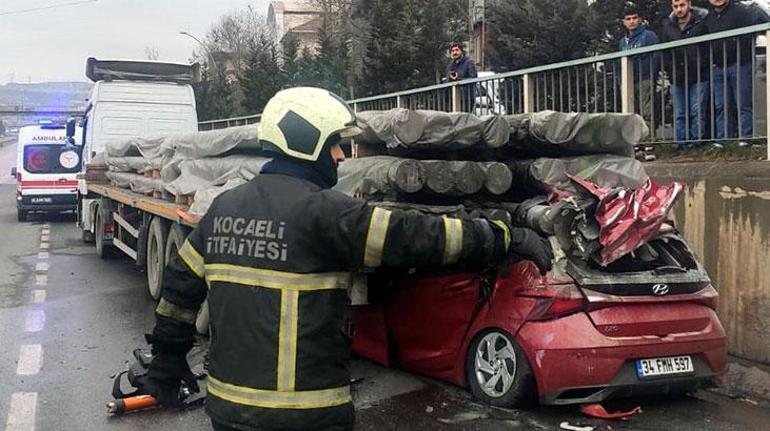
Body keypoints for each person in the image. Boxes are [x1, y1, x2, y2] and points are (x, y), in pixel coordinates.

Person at [139, 87, 553, 431]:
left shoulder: (223, 210)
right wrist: (502, 236)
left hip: (228, 411)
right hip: (308, 416)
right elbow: (417, 238)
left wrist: (167, 361)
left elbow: (179, 290)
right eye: (334, 144)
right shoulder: (326, 213)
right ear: (308, 143)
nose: (340, 156)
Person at [704, 0, 769, 146]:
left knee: (743, 103)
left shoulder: (742, 11)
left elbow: (754, 32)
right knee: (721, 105)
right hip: (718, 67)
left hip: (740, 64)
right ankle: (723, 140)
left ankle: (745, 139)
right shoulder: (709, 17)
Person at [660, 0, 710, 149]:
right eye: (675, 6)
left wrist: (703, 64)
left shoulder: (701, 23)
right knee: (680, 112)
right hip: (677, 75)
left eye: (682, 5)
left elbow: (707, 47)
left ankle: (697, 143)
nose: (679, 9)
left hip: (699, 74)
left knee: (697, 110)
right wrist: (669, 69)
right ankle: (681, 144)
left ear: (689, 4)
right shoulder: (668, 27)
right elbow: (665, 52)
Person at [618, 2, 660, 125]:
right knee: (630, 114)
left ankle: (649, 141)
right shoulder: (622, 42)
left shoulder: (649, 35)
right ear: (624, 22)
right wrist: (620, 80)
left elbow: (656, 56)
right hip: (628, 81)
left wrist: (652, 75)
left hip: (645, 78)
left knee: (647, 112)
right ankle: (635, 142)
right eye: (628, 19)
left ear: (640, 19)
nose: (632, 21)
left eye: (634, 18)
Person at [446, 42, 478, 113]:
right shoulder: (450, 66)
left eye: (457, 50)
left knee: (464, 119)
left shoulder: (469, 63)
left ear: (461, 51)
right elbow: (447, 81)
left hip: (466, 98)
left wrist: (459, 78)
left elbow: (473, 78)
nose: (455, 52)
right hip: (453, 98)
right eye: (453, 51)